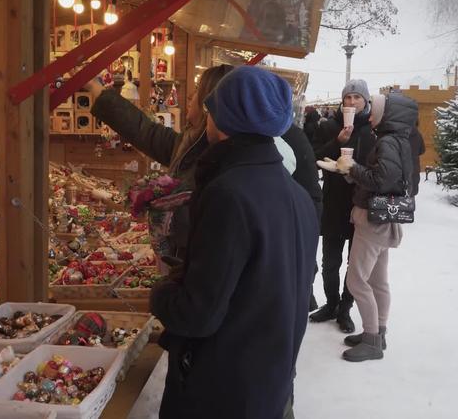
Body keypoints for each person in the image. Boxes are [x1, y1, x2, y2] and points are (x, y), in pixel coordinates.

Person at [150, 66, 319, 419]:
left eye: (210, 111)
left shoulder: (228, 194)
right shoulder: (297, 195)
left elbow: (199, 314)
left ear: (224, 121)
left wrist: (161, 293)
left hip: (221, 393)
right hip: (268, 386)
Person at [85, 65, 295, 260]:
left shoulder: (223, 168)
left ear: (212, 105)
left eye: (197, 91)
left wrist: (162, 205)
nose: (190, 97)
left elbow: (211, 256)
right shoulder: (192, 144)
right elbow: (146, 132)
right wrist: (96, 89)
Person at [332, 93, 417, 361]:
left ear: (387, 115)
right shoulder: (401, 140)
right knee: (378, 281)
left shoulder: (388, 142)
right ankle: (378, 332)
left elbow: (381, 180)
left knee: (357, 280)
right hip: (382, 219)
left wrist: (353, 168)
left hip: (372, 220)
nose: (370, 116)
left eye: (375, 111)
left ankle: (371, 340)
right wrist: (351, 172)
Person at [310, 79, 376, 333]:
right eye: (348, 97)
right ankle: (331, 303)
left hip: (360, 204)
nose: (351, 102)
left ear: (365, 101)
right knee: (330, 260)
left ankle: (345, 309)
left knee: (354, 262)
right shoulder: (328, 125)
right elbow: (314, 158)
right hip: (333, 202)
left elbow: (377, 168)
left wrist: (357, 172)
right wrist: (338, 141)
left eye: (357, 97)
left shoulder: (372, 130)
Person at [281, 123, 323, 311]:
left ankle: (305, 296)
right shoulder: (291, 133)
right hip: (305, 207)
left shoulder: (289, 136)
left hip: (301, 209)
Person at [409, 121, 426, 196]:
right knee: (412, 190)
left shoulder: (400, 133)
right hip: (414, 166)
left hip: (402, 166)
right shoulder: (418, 135)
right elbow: (422, 150)